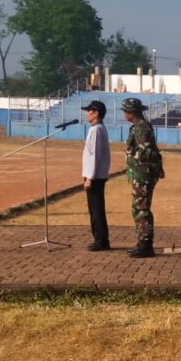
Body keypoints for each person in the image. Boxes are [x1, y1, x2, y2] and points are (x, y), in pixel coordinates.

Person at [122, 98, 164, 258]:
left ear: (131, 113)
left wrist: (129, 155)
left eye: (125, 111)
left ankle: (146, 244)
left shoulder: (142, 128)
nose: (124, 114)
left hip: (143, 174)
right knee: (138, 208)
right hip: (140, 173)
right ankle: (142, 241)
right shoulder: (139, 127)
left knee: (141, 209)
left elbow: (147, 151)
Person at [81, 100, 111, 251]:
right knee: (94, 208)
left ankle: (101, 239)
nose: (87, 114)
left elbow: (95, 156)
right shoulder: (96, 129)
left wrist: (90, 177)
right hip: (95, 174)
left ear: (96, 113)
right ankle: (99, 238)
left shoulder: (96, 130)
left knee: (96, 208)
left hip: (96, 176)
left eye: (89, 111)